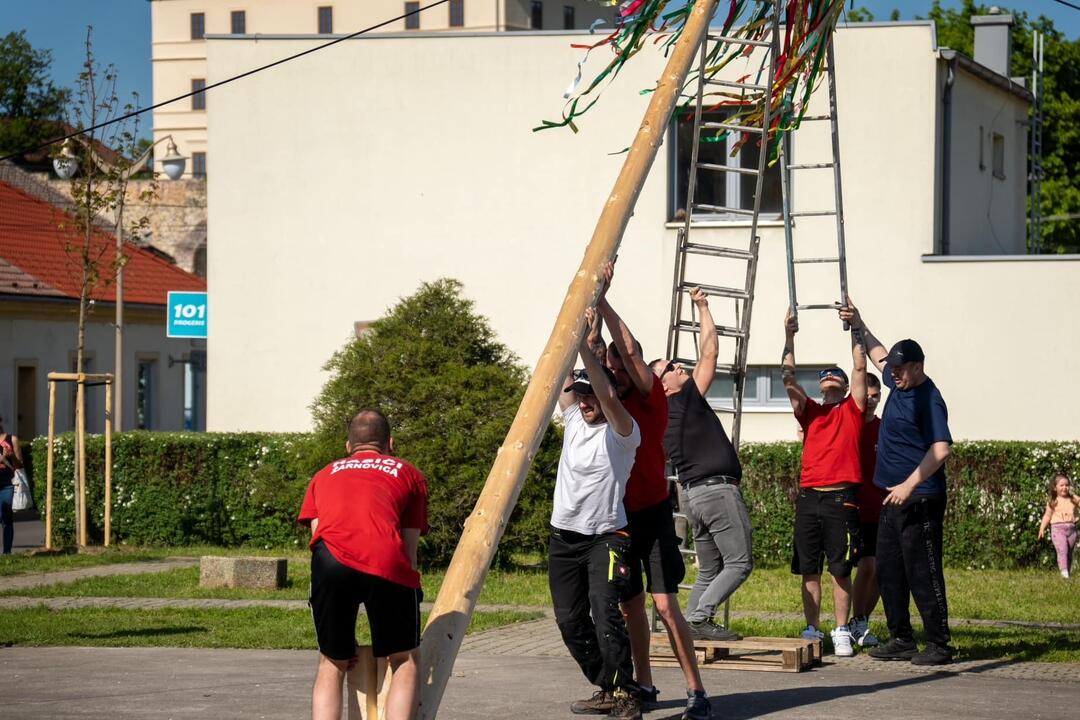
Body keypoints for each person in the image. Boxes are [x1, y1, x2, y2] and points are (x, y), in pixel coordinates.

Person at [590, 263, 709, 720]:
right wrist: (590, 314)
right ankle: (644, 684)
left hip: (654, 512)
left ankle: (697, 691)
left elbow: (629, 348)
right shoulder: (605, 402)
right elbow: (596, 348)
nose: (616, 369)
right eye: (611, 366)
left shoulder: (651, 397)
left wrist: (603, 297)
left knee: (663, 603)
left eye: (622, 364)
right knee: (629, 605)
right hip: (618, 519)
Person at [839, 301, 955, 666]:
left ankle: (939, 644)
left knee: (923, 571)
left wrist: (909, 484)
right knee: (889, 569)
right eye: (895, 368)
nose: (894, 374)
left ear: (918, 367)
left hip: (919, 497)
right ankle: (901, 637)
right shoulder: (896, 376)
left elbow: (941, 449)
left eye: (902, 369)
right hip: (892, 498)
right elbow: (878, 354)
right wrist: (858, 323)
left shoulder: (928, 398)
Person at [297, 409, 429, 720]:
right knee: (403, 660)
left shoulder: (323, 474)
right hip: (385, 559)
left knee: (332, 661)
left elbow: (318, 536)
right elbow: (409, 548)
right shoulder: (408, 473)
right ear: (390, 443)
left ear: (348, 446)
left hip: (330, 560)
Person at [551, 315, 642, 720]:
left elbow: (607, 396)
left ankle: (628, 696)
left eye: (591, 397)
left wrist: (589, 351)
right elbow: (562, 379)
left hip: (607, 536)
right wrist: (582, 334)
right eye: (581, 396)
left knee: (605, 612)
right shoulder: (572, 418)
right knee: (570, 622)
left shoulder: (623, 431)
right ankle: (608, 686)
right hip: (564, 539)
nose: (585, 403)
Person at [651, 287, 751, 643]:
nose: (680, 367)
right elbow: (710, 351)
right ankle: (698, 617)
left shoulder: (658, 417)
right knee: (740, 563)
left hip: (692, 497)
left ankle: (688, 630)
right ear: (663, 386)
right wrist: (703, 307)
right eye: (671, 368)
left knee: (709, 569)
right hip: (716, 491)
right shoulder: (685, 399)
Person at [782, 307, 867, 657]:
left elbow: (861, 366)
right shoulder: (810, 410)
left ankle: (842, 629)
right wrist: (788, 335)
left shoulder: (853, 409)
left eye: (836, 377)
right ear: (819, 386)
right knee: (809, 569)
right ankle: (813, 628)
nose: (829, 380)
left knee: (841, 569)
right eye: (824, 378)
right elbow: (787, 378)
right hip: (809, 499)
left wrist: (855, 328)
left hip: (840, 499)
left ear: (844, 386)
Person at [849, 374, 886, 647]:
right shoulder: (850, 425)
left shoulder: (885, 429)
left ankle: (860, 622)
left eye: (876, 396)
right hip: (853, 509)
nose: (871, 401)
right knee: (867, 565)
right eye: (867, 395)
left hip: (881, 508)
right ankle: (854, 619)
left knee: (881, 571)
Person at [1037, 473, 1079, 579]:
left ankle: (1067, 572)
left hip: (1072, 529)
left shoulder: (1073, 498)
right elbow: (1047, 516)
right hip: (1058, 529)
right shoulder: (1053, 501)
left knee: (1069, 553)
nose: (1065, 487)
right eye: (1061, 485)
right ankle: (1064, 573)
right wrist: (1042, 528)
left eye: (1067, 485)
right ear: (1055, 488)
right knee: (1062, 550)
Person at [0, 417, 25, 555]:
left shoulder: (12, 439)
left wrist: (11, 456)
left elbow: (20, 465)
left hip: (7, 486)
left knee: (6, 519)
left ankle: (7, 552)